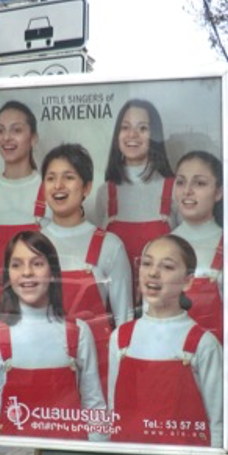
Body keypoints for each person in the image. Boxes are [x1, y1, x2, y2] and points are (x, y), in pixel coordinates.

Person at [108, 235, 223, 448]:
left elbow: (217, 422)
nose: (153, 272)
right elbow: (113, 412)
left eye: (167, 266)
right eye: (147, 263)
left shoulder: (202, 344)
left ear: (187, 281)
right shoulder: (121, 338)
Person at [0, 230, 108, 441]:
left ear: (53, 272)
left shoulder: (78, 333)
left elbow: (94, 406)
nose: (26, 272)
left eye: (37, 263)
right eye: (17, 264)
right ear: (8, 274)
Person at [41, 144, 134, 394]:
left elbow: (125, 323)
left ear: (86, 187)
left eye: (68, 177)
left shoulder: (109, 246)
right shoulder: (31, 245)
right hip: (43, 362)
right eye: (51, 178)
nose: (58, 185)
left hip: (99, 367)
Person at [95, 99, 178, 299]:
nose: (132, 135)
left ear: (155, 135)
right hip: (116, 310)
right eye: (125, 127)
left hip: (162, 309)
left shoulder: (175, 188)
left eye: (142, 128)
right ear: (117, 135)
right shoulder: (105, 192)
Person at [0, 101, 50, 296]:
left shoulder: (50, 190)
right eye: (0, 131)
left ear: (33, 137)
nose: (6, 138)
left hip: (37, 305)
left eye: (16, 130)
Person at [172, 151, 224, 342]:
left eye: (199, 183)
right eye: (181, 182)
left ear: (219, 192)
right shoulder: (160, 247)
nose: (187, 191)